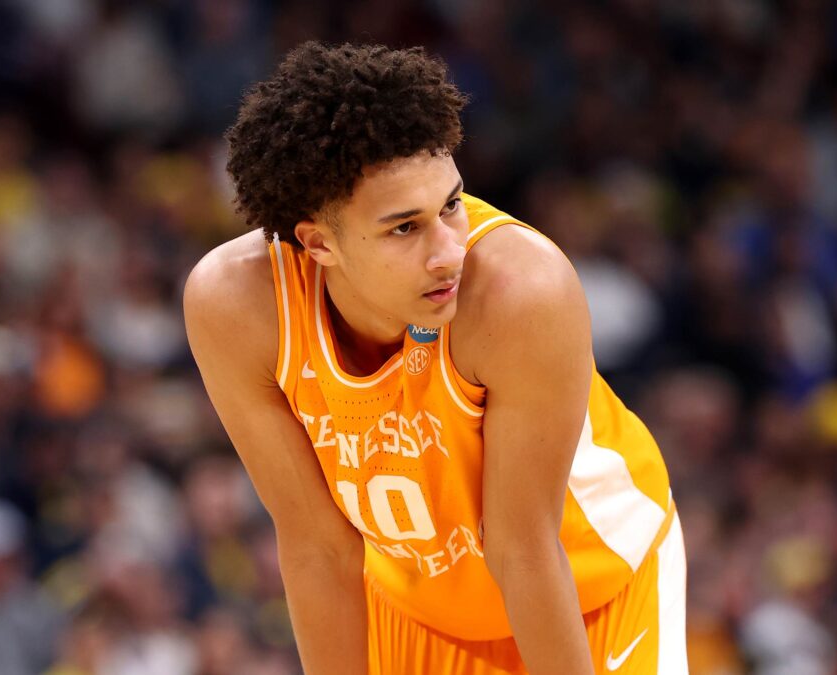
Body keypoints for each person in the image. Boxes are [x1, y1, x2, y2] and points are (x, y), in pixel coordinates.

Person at [184, 42, 686, 674]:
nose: (449, 252)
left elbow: (523, 551)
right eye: (404, 227)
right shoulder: (237, 306)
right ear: (319, 243)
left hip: (592, 588)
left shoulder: (519, 293)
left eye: (451, 205)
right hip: (419, 608)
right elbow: (319, 550)